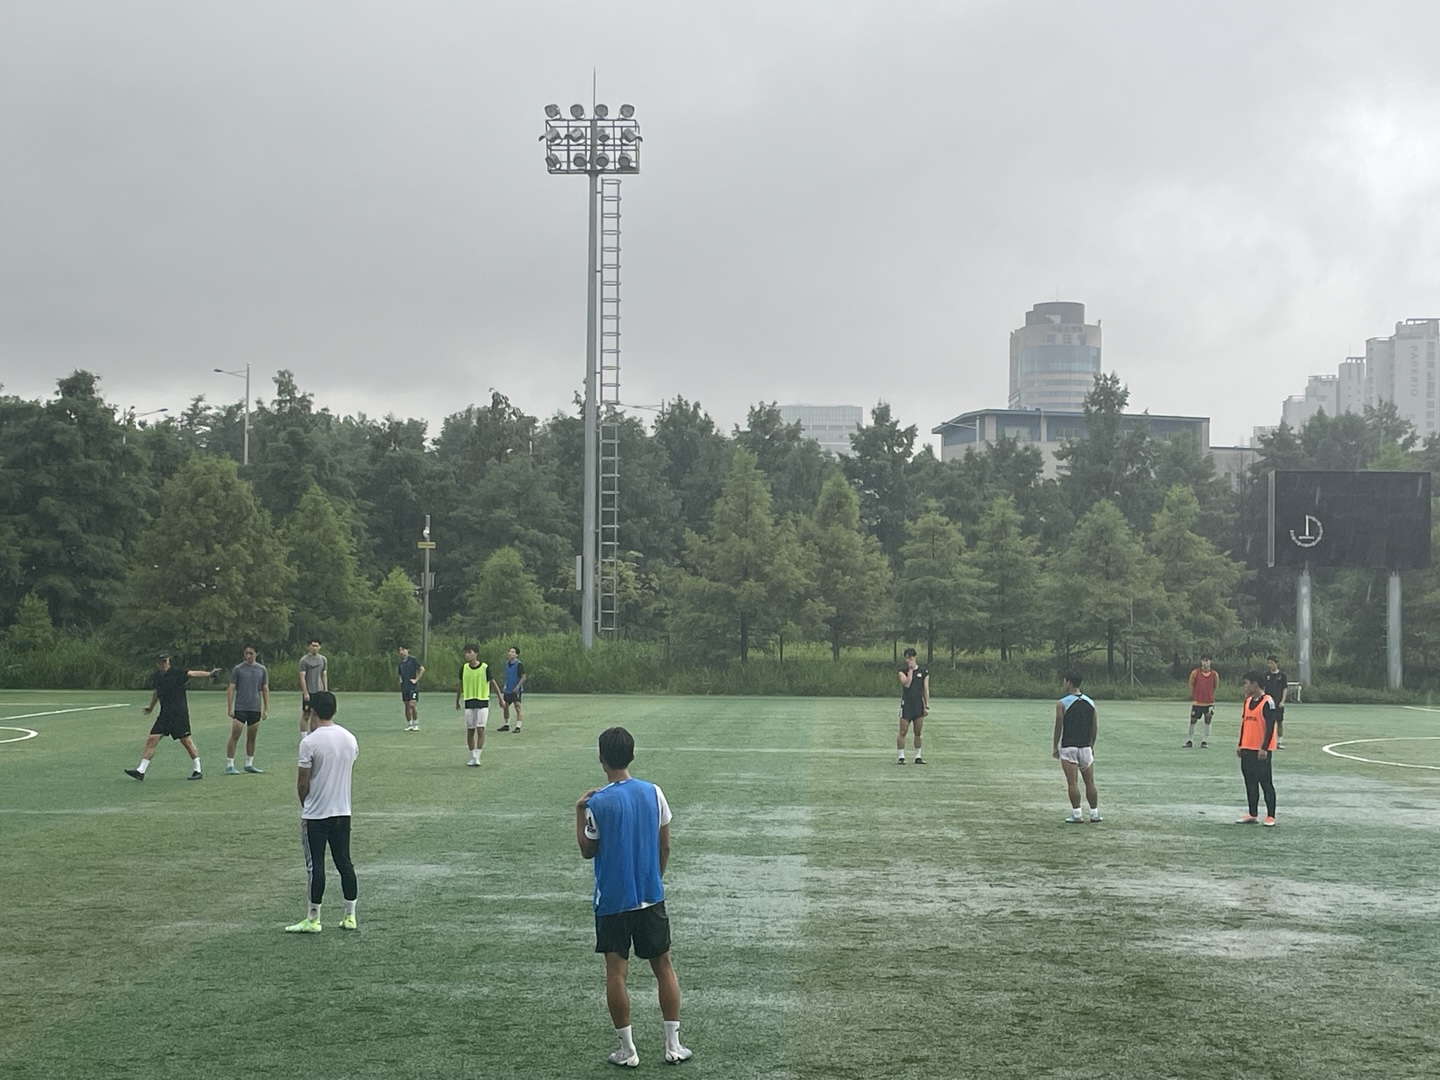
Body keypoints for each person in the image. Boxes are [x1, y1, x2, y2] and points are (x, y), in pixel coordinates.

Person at [576, 727, 692, 1068]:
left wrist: (578, 810)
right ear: (632, 755)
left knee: (616, 973)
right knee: (663, 966)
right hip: (650, 896)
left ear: (601, 759)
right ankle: (673, 1044)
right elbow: (665, 844)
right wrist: (654, 879)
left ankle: (628, 1050)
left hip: (613, 901)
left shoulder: (597, 802)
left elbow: (587, 850)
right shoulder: (654, 793)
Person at [285, 691, 360, 932]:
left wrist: (304, 802)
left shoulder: (309, 742)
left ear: (313, 711)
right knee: (344, 863)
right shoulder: (350, 739)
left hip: (316, 813)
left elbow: (302, 781)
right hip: (342, 810)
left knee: (315, 866)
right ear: (335, 710)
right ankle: (350, 915)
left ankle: (314, 918)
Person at [126, 653, 219, 781]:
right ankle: (140, 771)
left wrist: (209, 674)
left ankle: (197, 770)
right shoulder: (158, 676)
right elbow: (156, 692)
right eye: (161, 662)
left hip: (179, 713)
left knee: (186, 741)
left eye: (165, 661)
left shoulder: (177, 672)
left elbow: (192, 674)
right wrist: (151, 707)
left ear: (168, 662)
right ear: (157, 664)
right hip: (165, 714)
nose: (164, 664)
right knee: (151, 739)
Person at [1053, 672, 1101, 823]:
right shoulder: (1090, 702)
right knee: (1090, 782)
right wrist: (1091, 745)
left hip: (1069, 747)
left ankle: (1077, 814)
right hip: (1085, 747)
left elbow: (1058, 726)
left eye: (1064, 681)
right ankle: (1094, 814)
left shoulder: (1062, 703)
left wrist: (1055, 746)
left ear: (1069, 683)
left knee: (1072, 782)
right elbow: (1094, 727)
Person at [1237, 672, 1279, 826]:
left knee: (1265, 782)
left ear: (1255, 684)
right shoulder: (1247, 701)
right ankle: (1252, 813)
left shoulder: (1268, 702)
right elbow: (1244, 724)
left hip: (1261, 750)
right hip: (1247, 747)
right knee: (1250, 781)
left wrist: (1264, 748)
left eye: (1247, 683)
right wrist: (1241, 744)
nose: (1245, 686)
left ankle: (1270, 816)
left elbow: (1270, 727)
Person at [224, 645, 270, 774]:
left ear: (257, 653)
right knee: (235, 735)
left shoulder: (262, 669)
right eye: (246, 653)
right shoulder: (238, 669)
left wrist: (265, 709)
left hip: (255, 708)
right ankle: (230, 764)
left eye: (251, 653)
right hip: (241, 707)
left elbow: (265, 689)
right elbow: (231, 688)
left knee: (252, 736)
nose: (248, 656)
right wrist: (230, 707)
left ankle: (249, 763)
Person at [454, 643, 500, 767]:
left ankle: (477, 756)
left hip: (482, 701)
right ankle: (472, 755)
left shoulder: (485, 667)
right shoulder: (463, 668)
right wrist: (457, 700)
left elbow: (493, 683)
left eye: (470, 652)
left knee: (480, 729)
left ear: (476, 653)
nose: (468, 655)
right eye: (466, 652)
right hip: (469, 701)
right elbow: (460, 685)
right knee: (470, 731)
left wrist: (500, 698)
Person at [896, 648, 929, 764]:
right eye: (907, 658)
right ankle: (901, 756)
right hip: (907, 705)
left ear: (915, 657)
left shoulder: (923, 672)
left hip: (918, 705)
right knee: (903, 731)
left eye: (911, 657)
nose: (909, 660)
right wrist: (910, 671)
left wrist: (926, 706)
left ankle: (918, 756)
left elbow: (925, 689)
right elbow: (907, 684)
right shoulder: (902, 672)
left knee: (918, 732)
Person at [1184, 654, 1219, 748]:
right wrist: (1195, 695)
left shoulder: (1214, 674)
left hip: (1209, 702)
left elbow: (1215, 686)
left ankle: (1204, 740)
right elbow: (1191, 684)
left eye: (1207, 661)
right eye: (1203, 661)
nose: (1205, 663)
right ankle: (1189, 740)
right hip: (1197, 702)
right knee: (1193, 720)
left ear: (1210, 662)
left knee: (1208, 720)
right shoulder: (1195, 673)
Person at [298, 639, 328, 735]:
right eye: (313, 646)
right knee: (306, 715)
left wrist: (325, 689)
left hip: (319, 691)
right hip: (309, 692)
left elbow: (324, 675)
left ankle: (314, 735)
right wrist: (305, 692)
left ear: (320, 647)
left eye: (316, 646)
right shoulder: (304, 660)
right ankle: (304, 736)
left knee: (316, 715)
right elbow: (302, 676)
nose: (314, 648)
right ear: (309, 647)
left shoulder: (323, 659)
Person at [1261, 654, 1289, 749]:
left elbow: (1285, 689)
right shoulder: (1266, 675)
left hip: (1278, 702)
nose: (1269, 665)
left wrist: (1282, 701)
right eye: (1268, 663)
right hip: (1268, 702)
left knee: (1279, 722)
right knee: (1266, 722)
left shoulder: (1282, 676)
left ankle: (1279, 741)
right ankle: (1266, 740)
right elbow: (1262, 688)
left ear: (1276, 663)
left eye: (1271, 663)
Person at [498, 645, 526, 732]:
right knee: (505, 706)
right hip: (508, 689)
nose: (510, 653)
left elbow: (524, 677)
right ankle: (506, 724)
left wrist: (517, 686)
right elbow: (508, 676)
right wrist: (505, 685)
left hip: (516, 689)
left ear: (516, 655)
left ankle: (518, 726)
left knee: (517, 707)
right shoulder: (506, 664)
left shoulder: (519, 664)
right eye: (510, 651)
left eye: (513, 652)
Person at [398, 645, 425, 731]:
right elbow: (399, 674)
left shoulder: (413, 660)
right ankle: (409, 724)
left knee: (412, 705)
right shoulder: (400, 663)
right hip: (404, 687)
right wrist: (400, 681)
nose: (402, 652)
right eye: (400, 650)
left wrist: (416, 679)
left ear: (407, 650)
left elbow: (422, 669)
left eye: (403, 649)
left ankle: (416, 723)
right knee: (406, 706)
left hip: (412, 687)